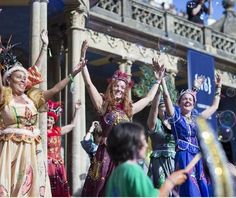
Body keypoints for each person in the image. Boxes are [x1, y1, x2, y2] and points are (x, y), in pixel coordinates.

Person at [0, 30, 85, 197]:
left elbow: (55, 89)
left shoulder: (32, 98)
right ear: (8, 79)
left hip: (32, 149)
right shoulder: (5, 97)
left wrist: (72, 73)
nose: (24, 80)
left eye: (25, 78)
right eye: (19, 77)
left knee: (31, 186)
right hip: (11, 148)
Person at [80, 40, 165, 196]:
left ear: (126, 91)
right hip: (105, 155)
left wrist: (158, 80)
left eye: (122, 87)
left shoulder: (128, 110)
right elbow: (89, 84)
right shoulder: (103, 105)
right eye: (116, 86)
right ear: (111, 87)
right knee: (102, 190)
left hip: (124, 157)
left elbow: (147, 99)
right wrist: (83, 61)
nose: (119, 89)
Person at [154, 58, 222, 196]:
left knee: (200, 186)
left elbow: (215, 106)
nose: (188, 101)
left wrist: (218, 87)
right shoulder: (176, 117)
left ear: (194, 104)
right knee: (189, 189)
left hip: (197, 157)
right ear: (179, 102)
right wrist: (162, 80)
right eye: (184, 99)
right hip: (184, 156)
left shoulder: (197, 119)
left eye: (190, 99)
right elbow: (166, 97)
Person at [106, 122, 187, 197]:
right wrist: (170, 182)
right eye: (143, 140)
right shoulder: (133, 171)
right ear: (132, 144)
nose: (146, 145)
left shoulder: (115, 174)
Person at [47, 99, 80, 197]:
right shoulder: (40, 133)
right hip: (48, 165)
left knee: (60, 187)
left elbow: (72, 125)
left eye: (51, 119)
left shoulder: (57, 131)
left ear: (54, 121)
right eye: (47, 118)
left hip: (58, 165)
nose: (49, 120)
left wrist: (77, 110)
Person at [147, 88, 175, 189]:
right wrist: (158, 92)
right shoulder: (155, 124)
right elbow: (153, 107)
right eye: (162, 106)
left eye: (167, 106)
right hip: (159, 162)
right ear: (158, 111)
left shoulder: (176, 125)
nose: (165, 109)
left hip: (175, 162)